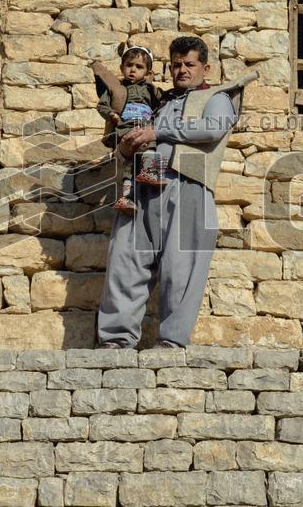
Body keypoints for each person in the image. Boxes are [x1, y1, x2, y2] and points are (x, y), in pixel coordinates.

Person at [95, 35, 258, 349]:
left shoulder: (218, 97)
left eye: (189, 64)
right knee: (125, 262)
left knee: (181, 269)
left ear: (205, 67)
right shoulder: (156, 100)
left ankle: (170, 344)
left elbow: (212, 128)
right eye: (176, 65)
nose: (182, 70)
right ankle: (115, 342)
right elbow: (127, 142)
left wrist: (158, 131)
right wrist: (127, 148)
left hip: (188, 189)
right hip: (143, 186)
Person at [93, 45, 163, 214]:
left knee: (149, 142)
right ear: (122, 68)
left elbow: (163, 104)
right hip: (125, 128)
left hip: (144, 127)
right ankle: (126, 198)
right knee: (127, 160)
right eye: (129, 65)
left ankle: (149, 171)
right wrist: (111, 114)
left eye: (139, 67)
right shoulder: (116, 90)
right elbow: (102, 106)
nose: (133, 70)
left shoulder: (152, 91)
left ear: (147, 73)